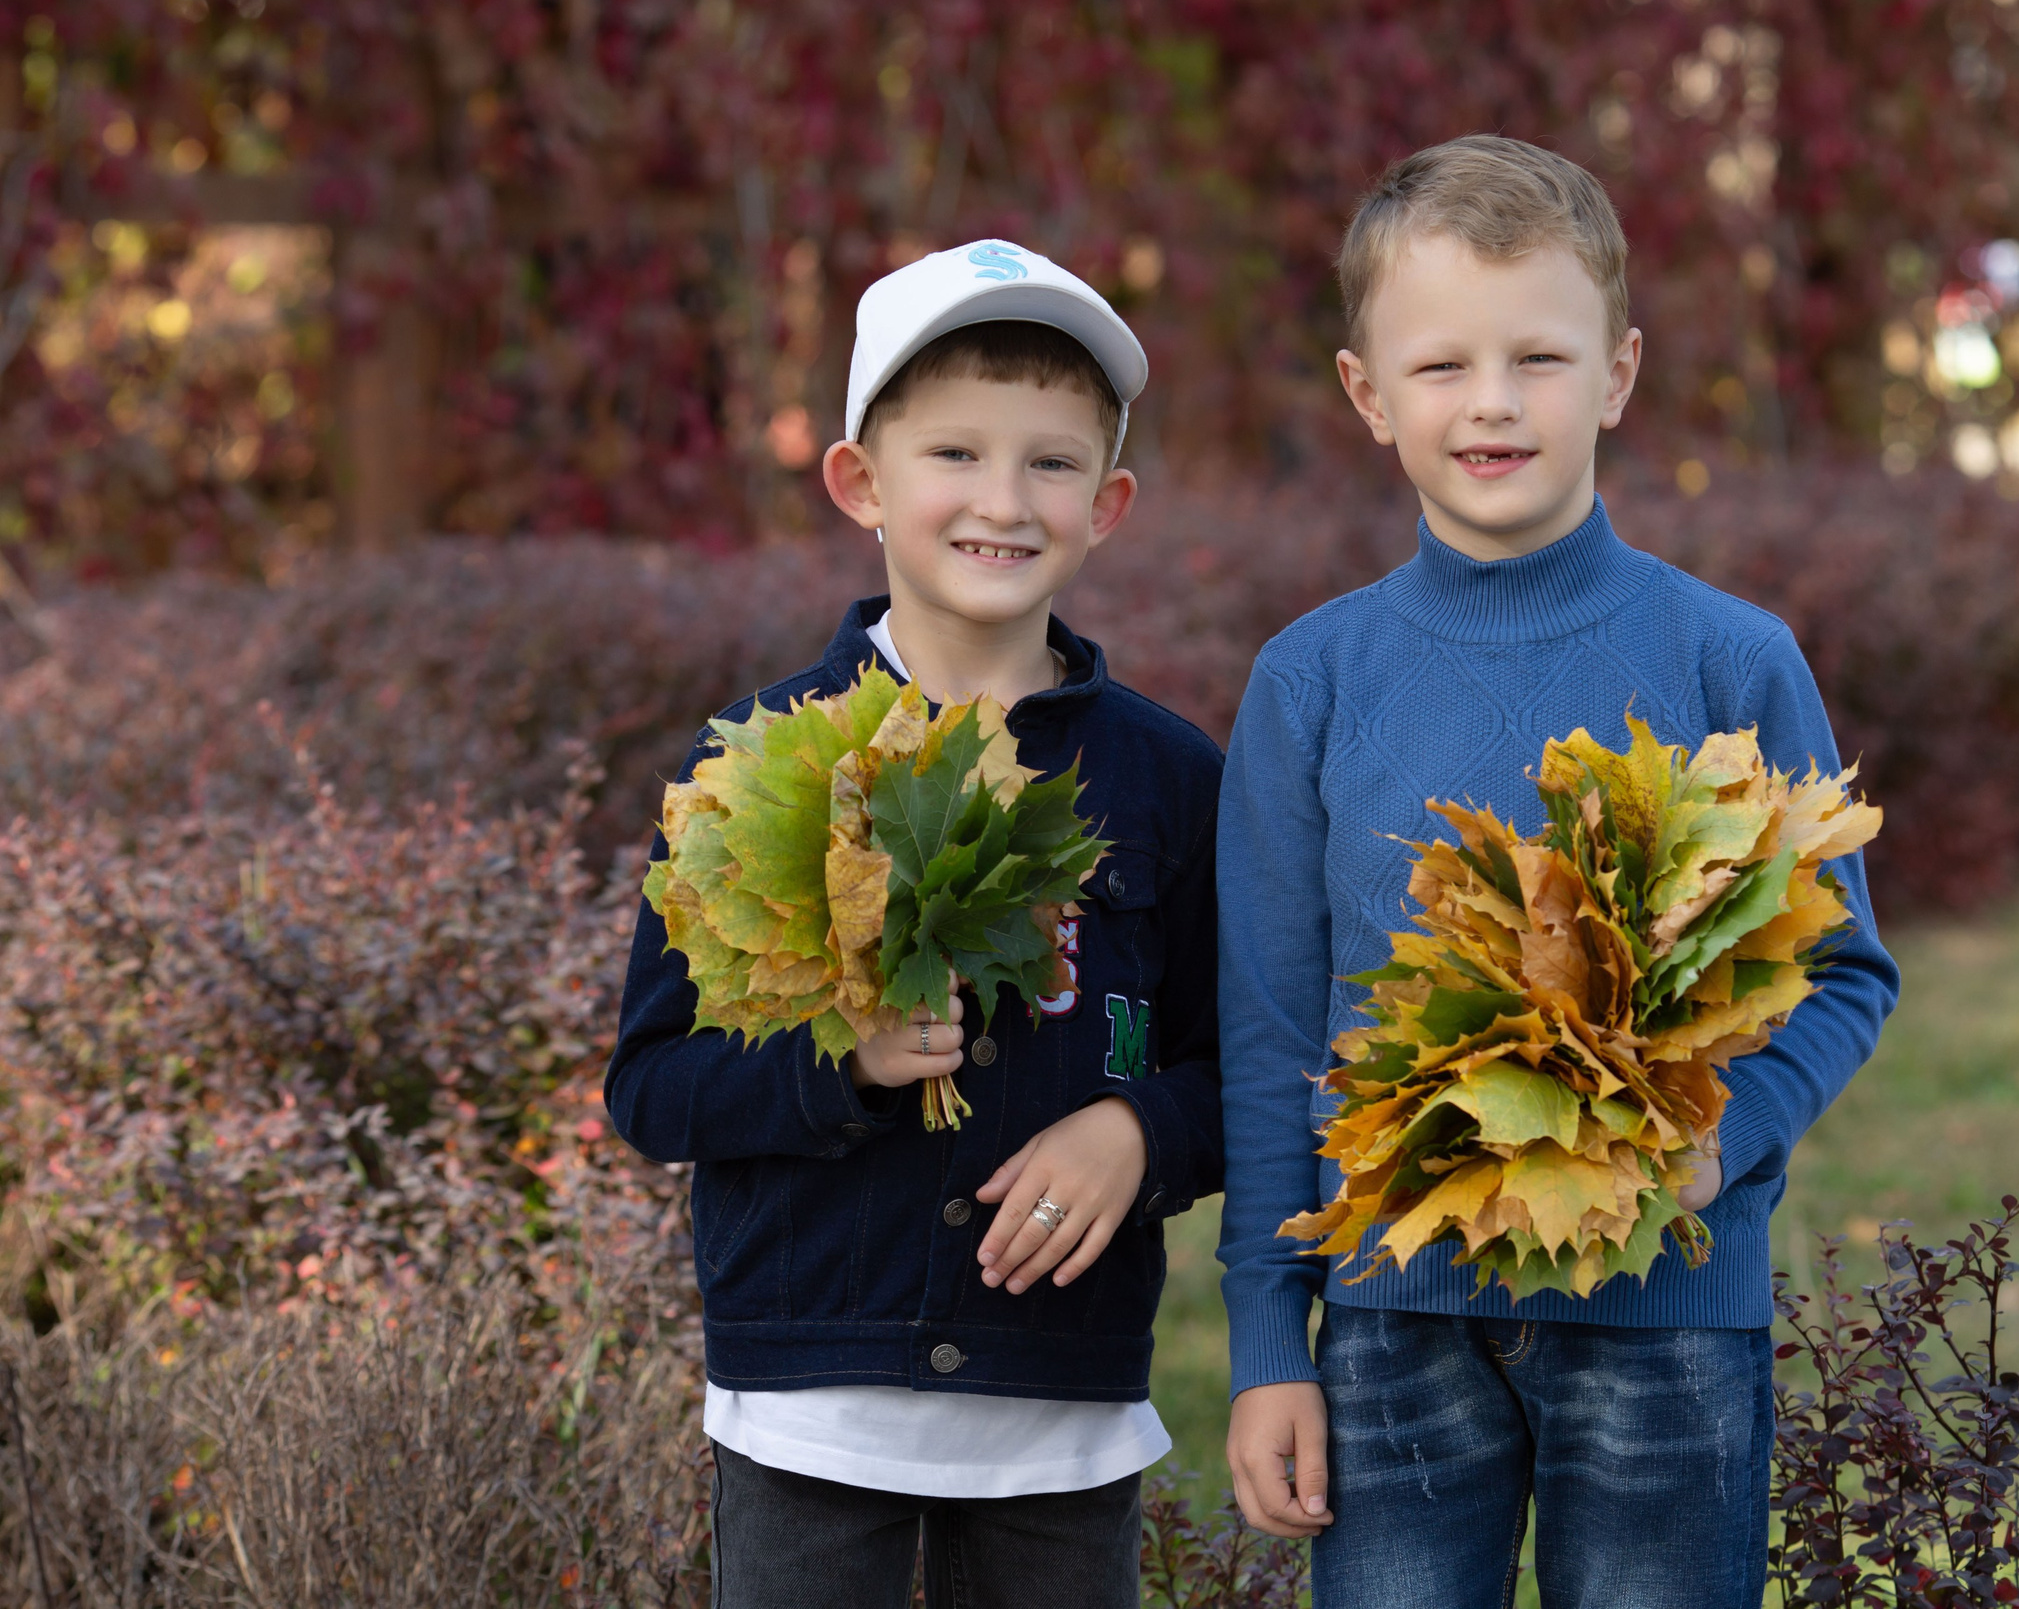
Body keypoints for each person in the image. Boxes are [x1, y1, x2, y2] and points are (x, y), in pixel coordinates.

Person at [1215, 136, 1901, 1607]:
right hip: (1392, 1319)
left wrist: (1739, 1128)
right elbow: (1273, 1036)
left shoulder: (1730, 658)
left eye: (1539, 354)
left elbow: (1847, 970)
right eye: (1444, 363)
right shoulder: (1312, 680)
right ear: (1367, 393)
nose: (1493, 401)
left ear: (1619, 372)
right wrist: (1274, 1341)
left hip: (1667, 1312)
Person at [608, 240, 1224, 1609]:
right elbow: (652, 1086)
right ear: (860, 482)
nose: (1002, 500)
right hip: (809, 1412)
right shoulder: (755, 764)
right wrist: (849, 1061)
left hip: (1061, 1417)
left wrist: (1143, 1130)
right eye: (954, 453)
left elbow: (1242, 1062)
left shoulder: (1168, 780)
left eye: (1052, 463)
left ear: (1109, 502)